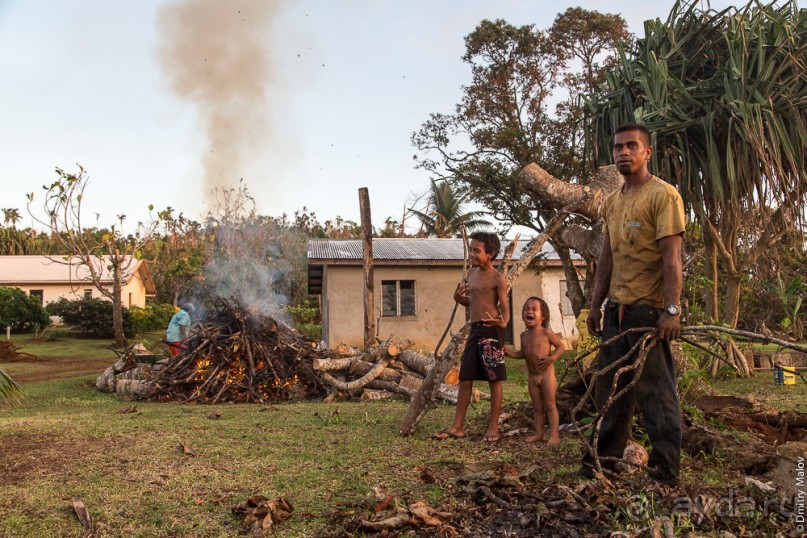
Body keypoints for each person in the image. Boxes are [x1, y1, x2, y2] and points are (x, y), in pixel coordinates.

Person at [580, 122, 686, 485]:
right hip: (616, 311)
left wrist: (671, 309)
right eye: (618, 147)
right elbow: (606, 260)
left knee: (657, 395)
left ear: (646, 152)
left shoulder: (663, 196)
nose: (623, 152)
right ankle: (600, 464)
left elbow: (672, 259)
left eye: (631, 146)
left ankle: (664, 473)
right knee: (610, 393)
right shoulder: (613, 202)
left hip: (647, 313)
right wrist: (595, 307)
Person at [432, 231, 510, 443]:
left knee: (494, 379)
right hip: (474, 330)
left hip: (491, 331)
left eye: (477, 250)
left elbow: (504, 307)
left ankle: (493, 426)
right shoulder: (472, 274)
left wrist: (503, 323)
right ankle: (458, 426)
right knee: (465, 377)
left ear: (491, 253)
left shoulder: (498, 279)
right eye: (470, 250)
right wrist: (459, 299)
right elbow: (473, 302)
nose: (471, 254)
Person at [505, 297, 565, 445]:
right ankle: (539, 433)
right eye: (526, 309)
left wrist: (551, 359)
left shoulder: (546, 333)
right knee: (537, 407)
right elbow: (523, 354)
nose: (529, 311)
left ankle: (555, 434)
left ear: (542, 316)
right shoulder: (523, 335)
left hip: (546, 376)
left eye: (534, 309)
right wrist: (508, 353)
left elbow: (561, 347)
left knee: (550, 405)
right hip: (532, 377)